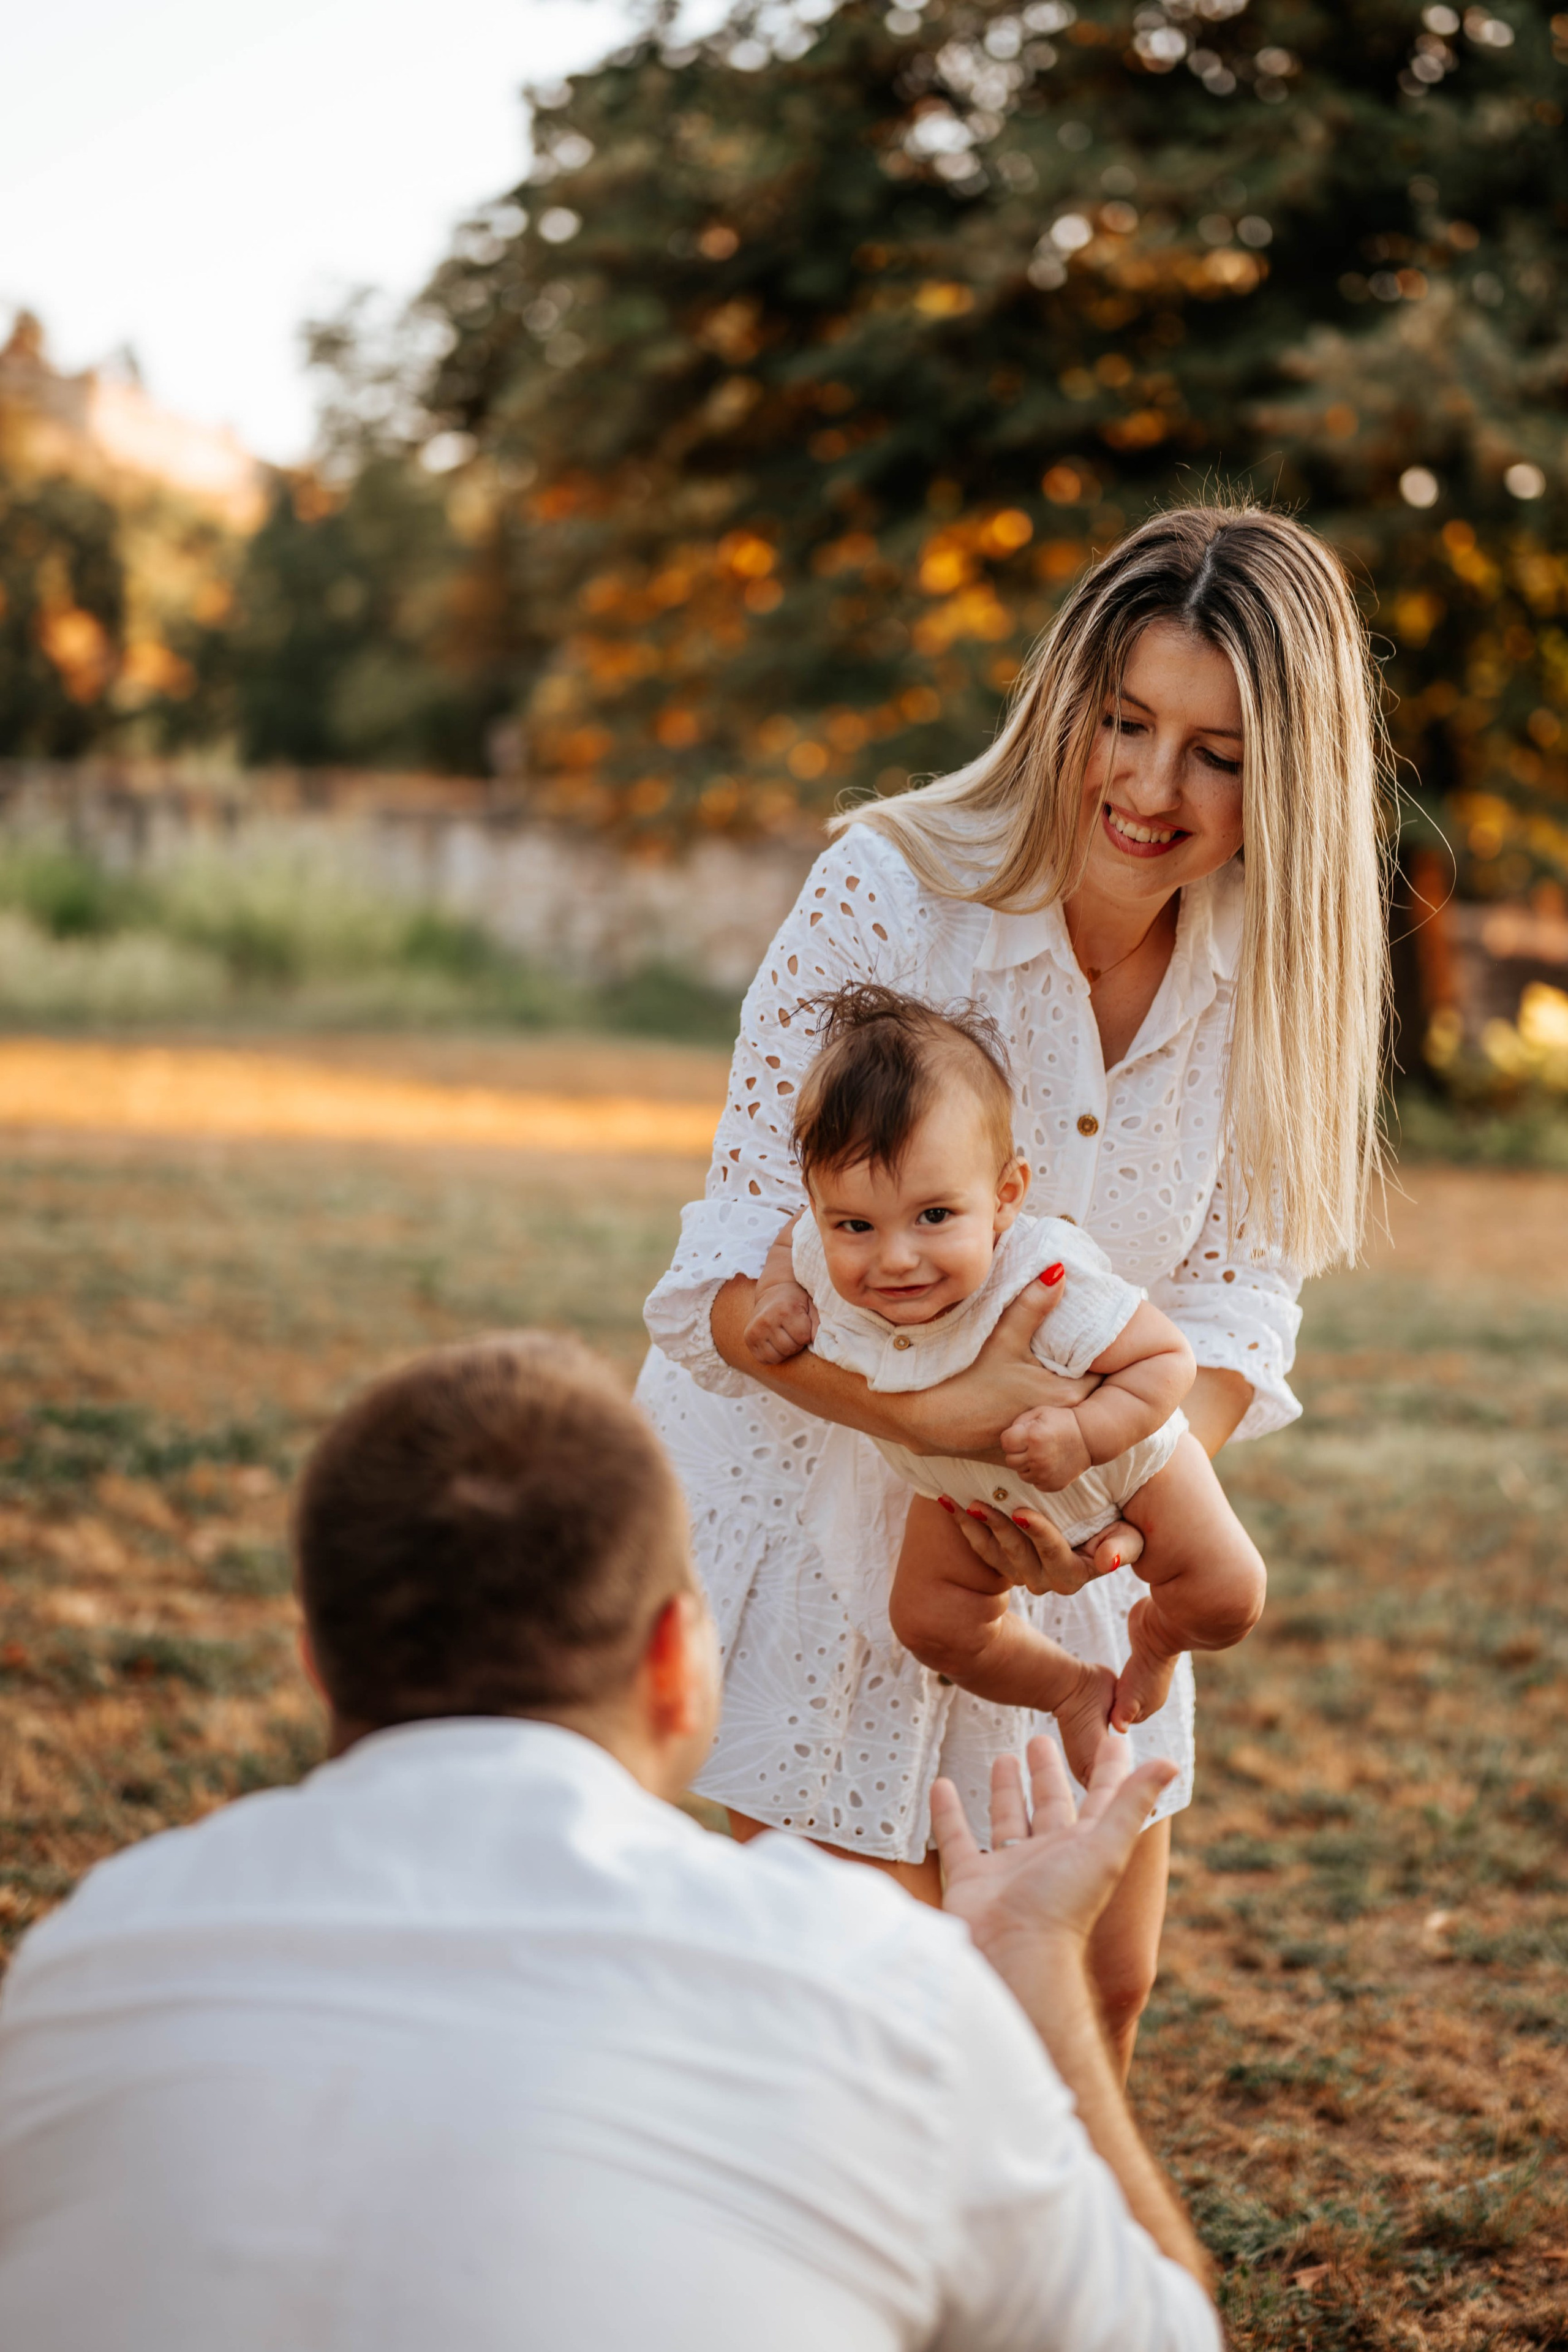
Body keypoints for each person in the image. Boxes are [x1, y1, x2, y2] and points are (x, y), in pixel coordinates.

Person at [0, 1335, 1220, 2352]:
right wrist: (1035, 1976)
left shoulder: (83, 1963)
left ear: (320, 1662)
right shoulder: (875, 1985)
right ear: (673, 1662)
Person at [639, 501, 1389, 2070]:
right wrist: (954, 1419)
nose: (1148, 784)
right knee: (867, 2021)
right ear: (1070, 701)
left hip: (1083, 1528)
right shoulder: (891, 895)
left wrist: (1099, 1511)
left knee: (1087, 2003)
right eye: (1124, 721)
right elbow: (729, 1269)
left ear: (1289, 777)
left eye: (1217, 751)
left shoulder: (1280, 974)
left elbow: (1240, 1309)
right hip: (839, 1524)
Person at [743, 982, 1266, 1783]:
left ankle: (1155, 1640)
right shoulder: (816, 1244)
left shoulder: (1041, 1275)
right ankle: (1070, 1691)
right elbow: (789, 1245)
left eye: (934, 1217)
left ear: (1005, 1195)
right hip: (961, 1492)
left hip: (1127, 1464)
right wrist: (781, 1295)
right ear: (819, 1207)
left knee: (1230, 1594)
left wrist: (1087, 1433)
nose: (894, 1258)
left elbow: (1167, 1361)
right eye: (855, 1225)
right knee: (931, 1622)